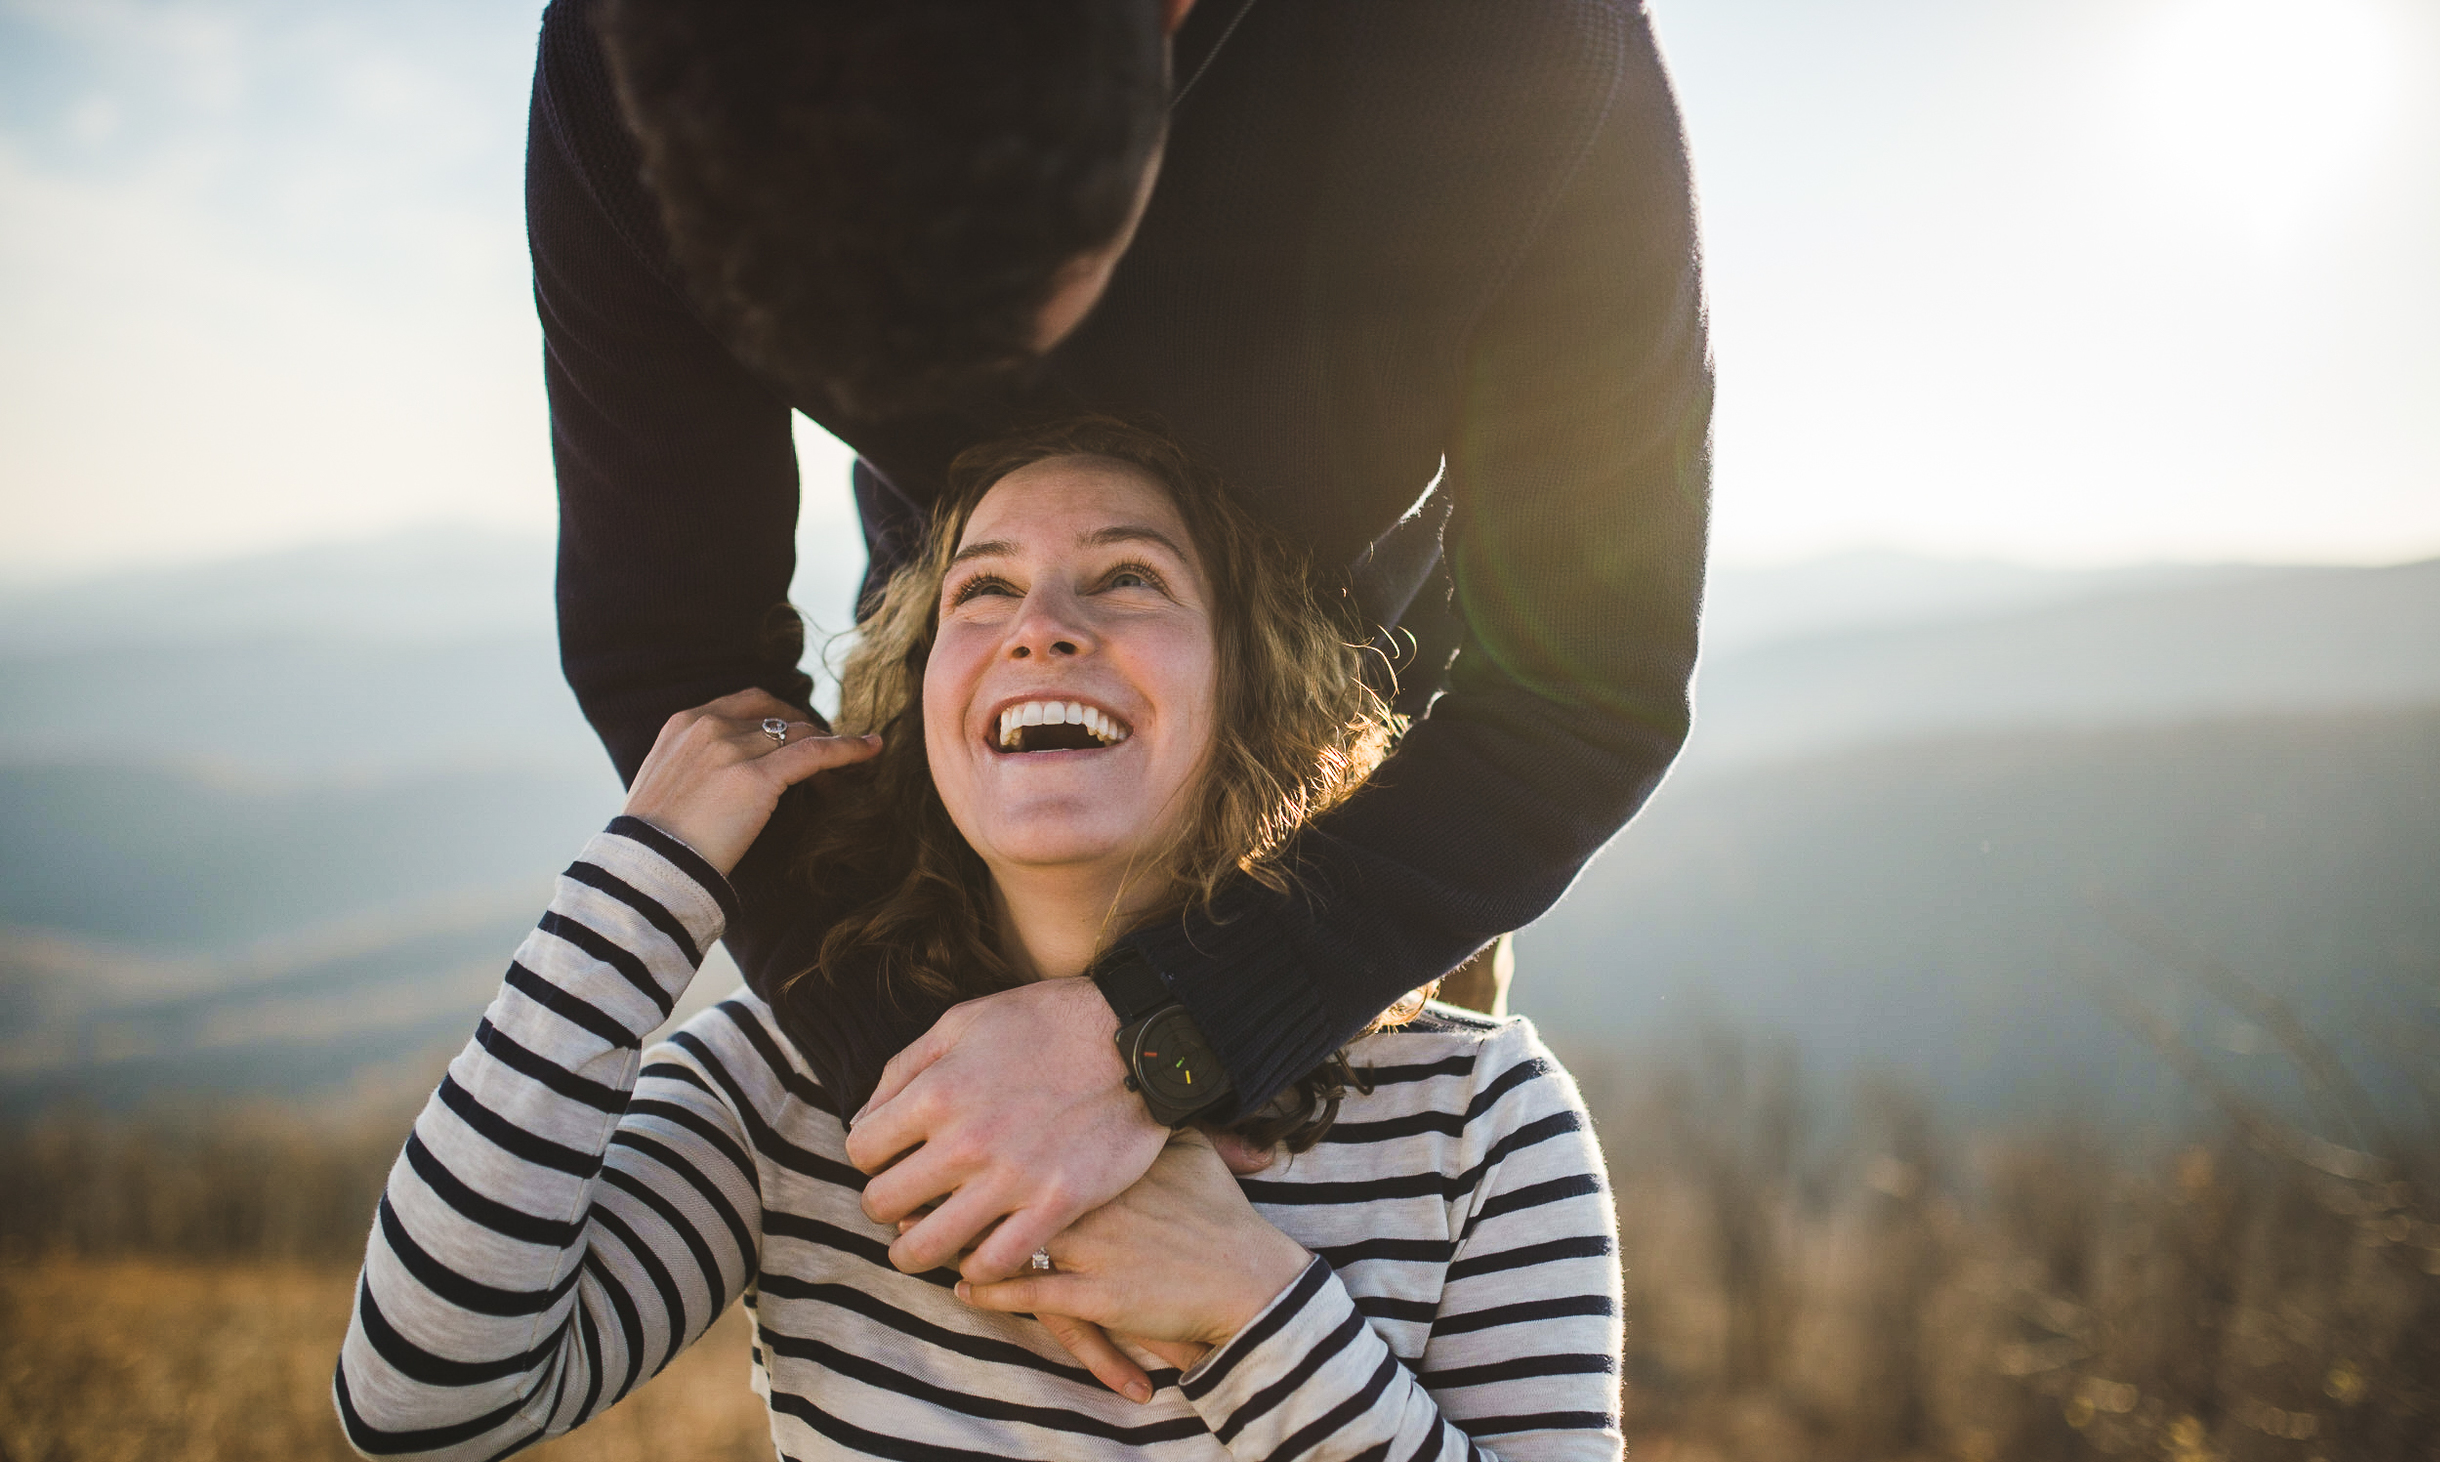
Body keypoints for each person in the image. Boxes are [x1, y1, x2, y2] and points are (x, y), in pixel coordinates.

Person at [336, 420, 1630, 1462]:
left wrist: (1255, 1303)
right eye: (981, 589)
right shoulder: (788, 1081)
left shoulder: (1476, 1114)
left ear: (1254, 675)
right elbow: (425, 1398)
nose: (1042, 628)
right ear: (918, 694)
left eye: (1128, 576)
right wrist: (649, 877)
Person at [530, 0, 1711, 1294]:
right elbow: (669, 639)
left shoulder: (1528, 51)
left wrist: (1173, 1034)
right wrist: (925, 1086)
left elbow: (1585, 689)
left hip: (1362, 828)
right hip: (947, 838)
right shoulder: (622, 65)